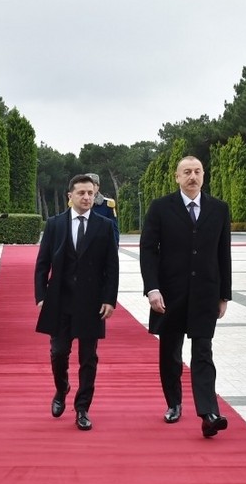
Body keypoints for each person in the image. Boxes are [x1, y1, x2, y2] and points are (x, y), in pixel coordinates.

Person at [139, 155, 232, 438]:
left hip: (205, 293)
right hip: (169, 294)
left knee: (203, 352)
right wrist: (152, 288)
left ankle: (209, 413)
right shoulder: (161, 208)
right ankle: (174, 403)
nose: (193, 177)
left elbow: (223, 253)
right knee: (170, 353)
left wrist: (224, 295)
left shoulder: (218, 209)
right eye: (187, 172)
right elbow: (148, 250)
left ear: (204, 175)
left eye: (197, 171)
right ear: (177, 177)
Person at [34, 174, 119, 431]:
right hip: (59, 299)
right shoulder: (55, 224)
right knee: (59, 352)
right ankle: (62, 388)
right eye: (81, 193)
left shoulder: (104, 226)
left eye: (90, 193)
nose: (86, 197)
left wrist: (109, 299)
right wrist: (40, 297)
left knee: (88, 357)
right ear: (69, 195)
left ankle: (82, 408)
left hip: (91, 302)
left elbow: (111, 268)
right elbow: (42, 264)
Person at [85, 173, 120, 247]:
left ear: (98, 187)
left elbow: (113, 229)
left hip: (101, 246)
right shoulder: (76, 204)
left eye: (93, 185)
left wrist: (114, 248)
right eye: (87, 185)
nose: (90, 188)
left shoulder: (107, 204)